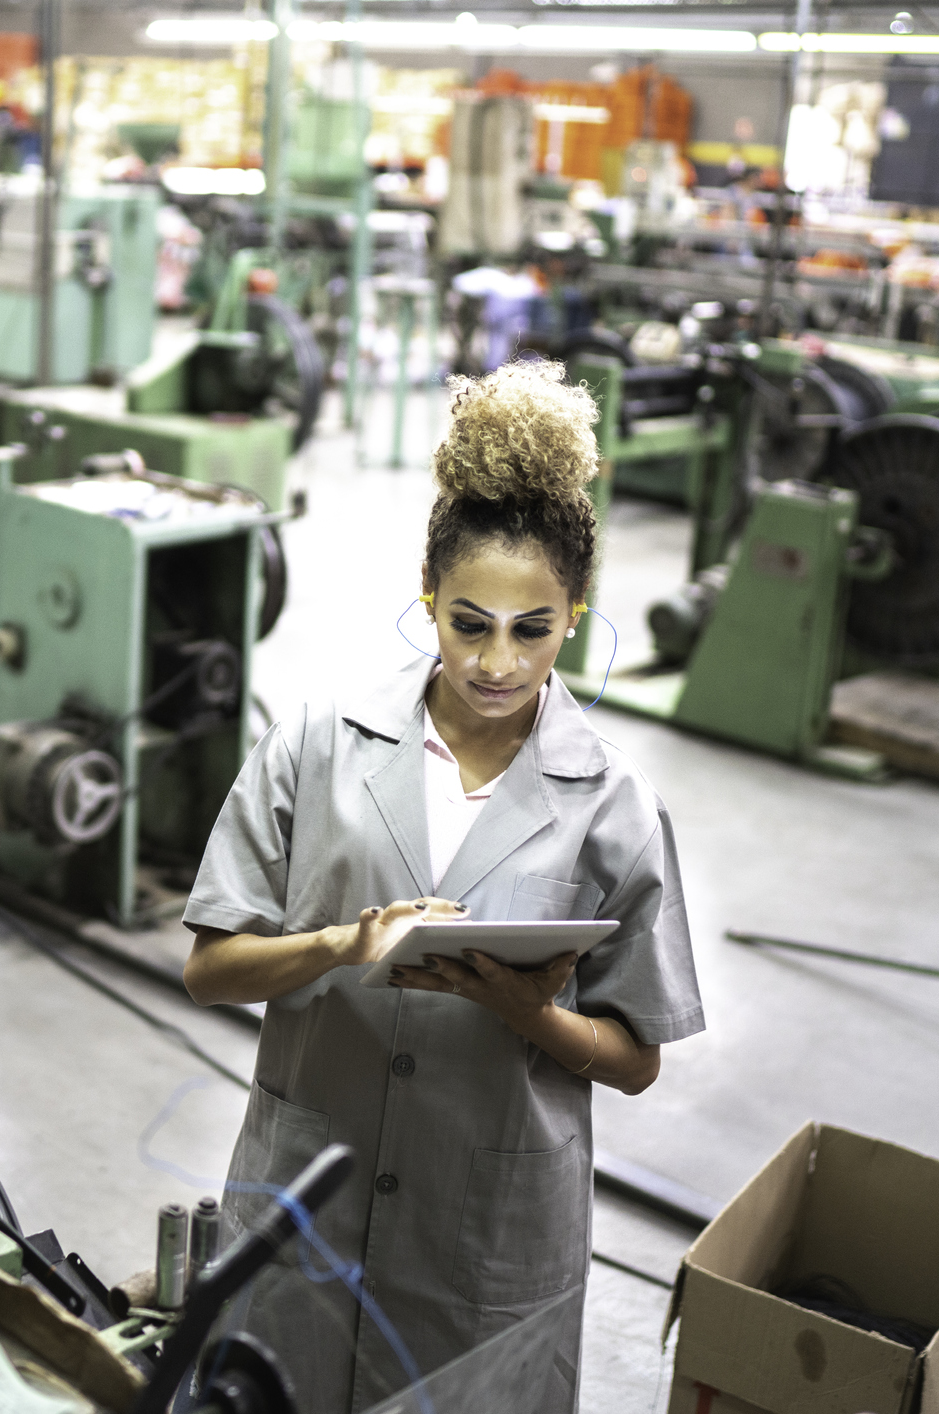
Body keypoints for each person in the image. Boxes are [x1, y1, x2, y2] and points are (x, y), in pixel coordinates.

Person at [181, 360, 703, 1413]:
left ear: (573, 614)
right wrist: (339, 944)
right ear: (427, 602)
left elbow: (635, 1060)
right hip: (306, 1200)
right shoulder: (319, 745)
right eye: (468, 623)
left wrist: (531, 1014)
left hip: (484, 1243)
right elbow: (209, 968)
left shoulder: (614, 804)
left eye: (532, 628)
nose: (497, 662)